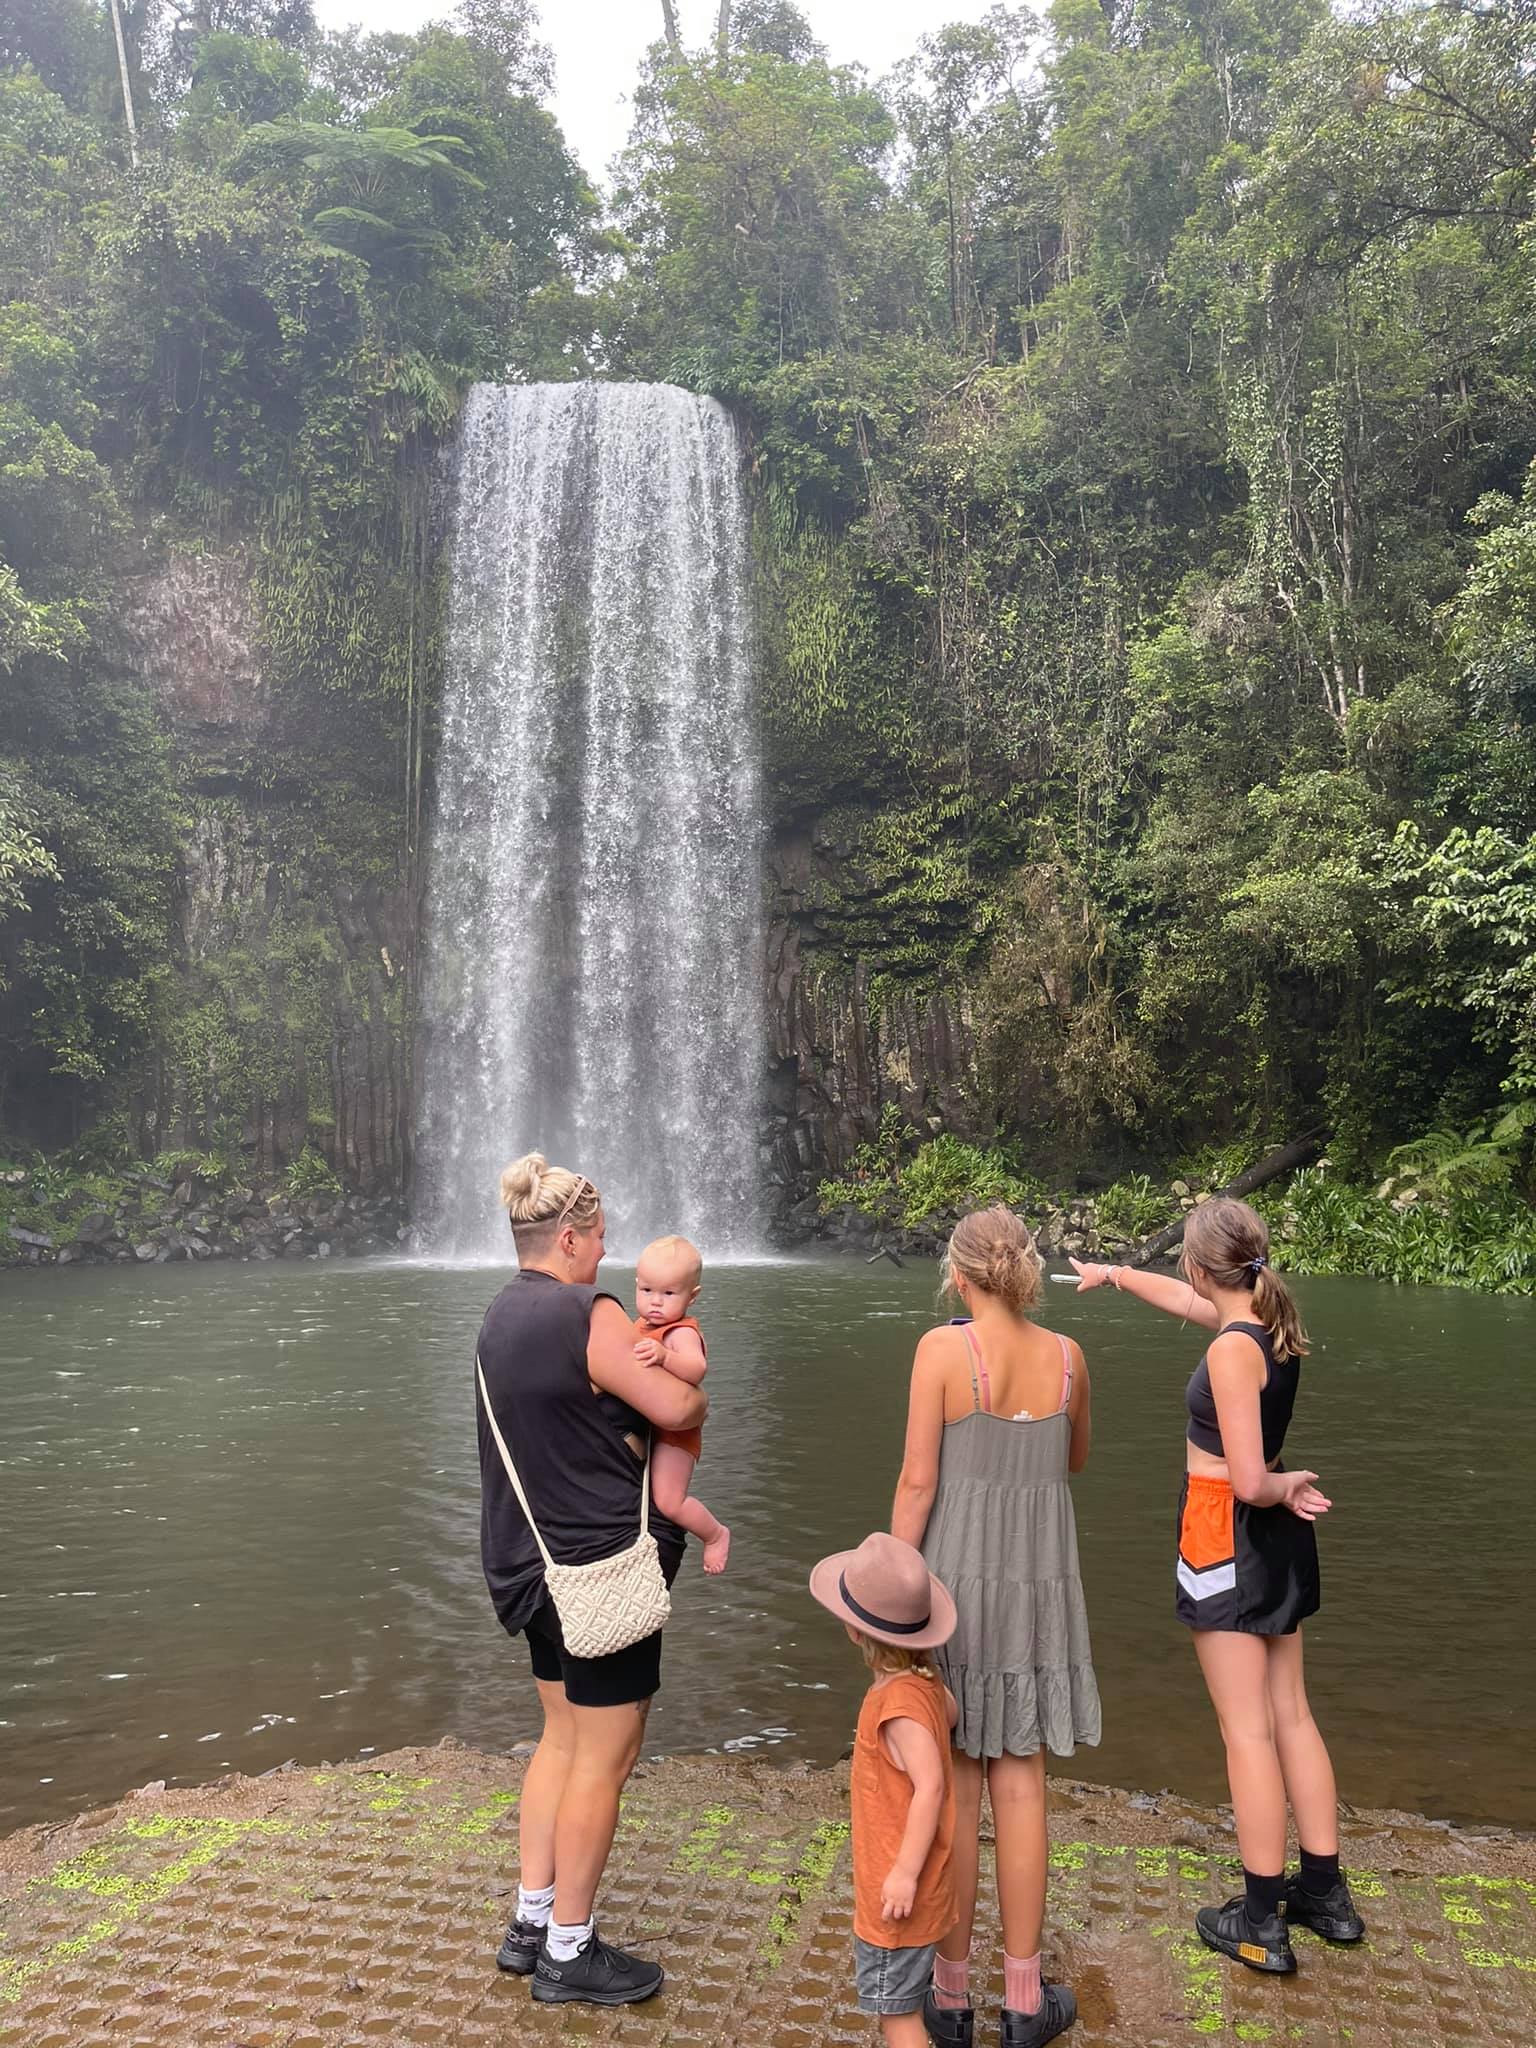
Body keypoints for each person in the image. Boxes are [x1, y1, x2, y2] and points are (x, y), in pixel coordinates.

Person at [1071, 1196, 1365, 1976]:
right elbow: (1186, 1303)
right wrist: (1115, 1276)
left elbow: (1246, 1479)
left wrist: (1286, 1479)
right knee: (1291, 1714)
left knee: (1247, 1732)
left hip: (1225, 1529)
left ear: (1205, 1267)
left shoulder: (1235, 1351)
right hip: (1270, 1542)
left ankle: (1263, 1919)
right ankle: (1325, 1895)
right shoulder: (1267, 1323)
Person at [477, 1153, 707, 2007]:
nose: (607, 1258)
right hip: (597, 1575)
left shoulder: (499, 1314)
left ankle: (530, 1920)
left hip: (526, 1566)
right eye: (601, 1240)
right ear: (568, 1237)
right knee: (606, 1755)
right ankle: (569, 1952)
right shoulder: (587, 1311)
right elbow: (677, 1407)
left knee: (561, 1740)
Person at [893, 1206, 1096, 2048]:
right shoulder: (1071, 1359)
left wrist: (890, 1603)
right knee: (1022, 1786)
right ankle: (1022, 2002)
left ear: (960, 1276)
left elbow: (915, 1484)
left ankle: (947, 1999)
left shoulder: (945, 1352)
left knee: (957, 1787)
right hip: (1039, 1591)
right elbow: (1074, 1459)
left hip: (955, 1585)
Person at [809, 1531, 960, 2048]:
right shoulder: (924, 1686)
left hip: (898, 1899)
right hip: (923, 1889)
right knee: (901, 2006)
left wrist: (902, 1874)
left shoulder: (895, 1707)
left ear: (855, 1631)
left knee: (898, 2017)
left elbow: (931, 1787)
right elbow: (952, 1715)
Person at [632, 1234, 731, 1573]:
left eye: (668, 1294)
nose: (655, 1302)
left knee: (669, 1501)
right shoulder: (641, 1326)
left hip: (676, 1436)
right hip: (654, 1428)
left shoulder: (681, 1332)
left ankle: (715, 1534)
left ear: (693, 1296)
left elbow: (696, 1369)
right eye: (646, 1291)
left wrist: (664, 1356)